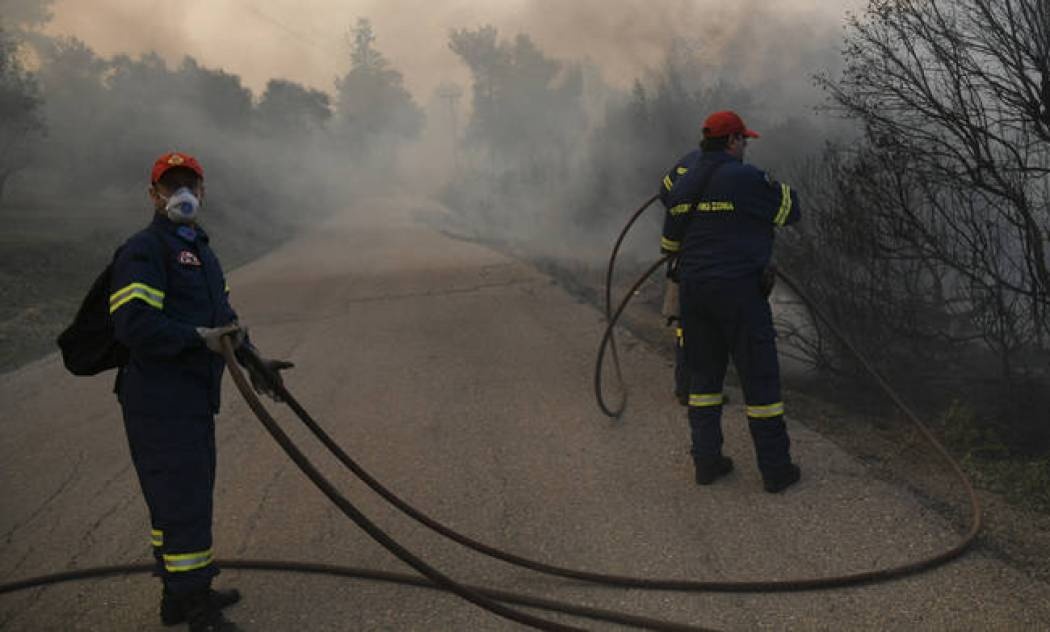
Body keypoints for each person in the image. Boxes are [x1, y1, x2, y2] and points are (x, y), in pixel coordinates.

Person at [110, 151, 292, 630]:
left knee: (181, 497)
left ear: (203, 192)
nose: (182, 194)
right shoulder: (144, 250)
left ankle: (178, 596)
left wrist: (254, 360)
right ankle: (196, 608)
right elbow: (133, 324)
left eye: (190, 185)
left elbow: (223, 322)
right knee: (182, 499)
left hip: (191, 395)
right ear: (154, 195)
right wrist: (194, 339)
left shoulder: (202, 251)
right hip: (159, 398)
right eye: (172, 186)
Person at [660, 111, 802, 493]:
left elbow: (669, 244)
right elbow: (791, 210)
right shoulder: (746, 178)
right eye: (744, 140)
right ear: (732, 141)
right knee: (760, 380)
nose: (746, 147)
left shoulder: (683, 184)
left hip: (695, 294)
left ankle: (706, 462)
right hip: (740, 292)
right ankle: (775, 469)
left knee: (704, 381)